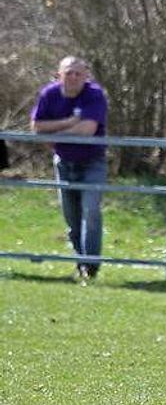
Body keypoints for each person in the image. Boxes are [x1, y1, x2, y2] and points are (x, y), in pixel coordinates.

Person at [30, 56, 109, 281]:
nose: (73, 77)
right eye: (68, 73)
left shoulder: (94, 94)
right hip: (63, 161)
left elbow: (87, 129)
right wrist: (68, 123)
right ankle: (80, 262)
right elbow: (36, 126)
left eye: (78, 73)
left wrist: (53, 134)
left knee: (90, 211)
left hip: (92, 162)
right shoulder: (49, 94)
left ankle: (91, 267)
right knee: (71, 217)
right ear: (59, 75)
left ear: (86, 76)